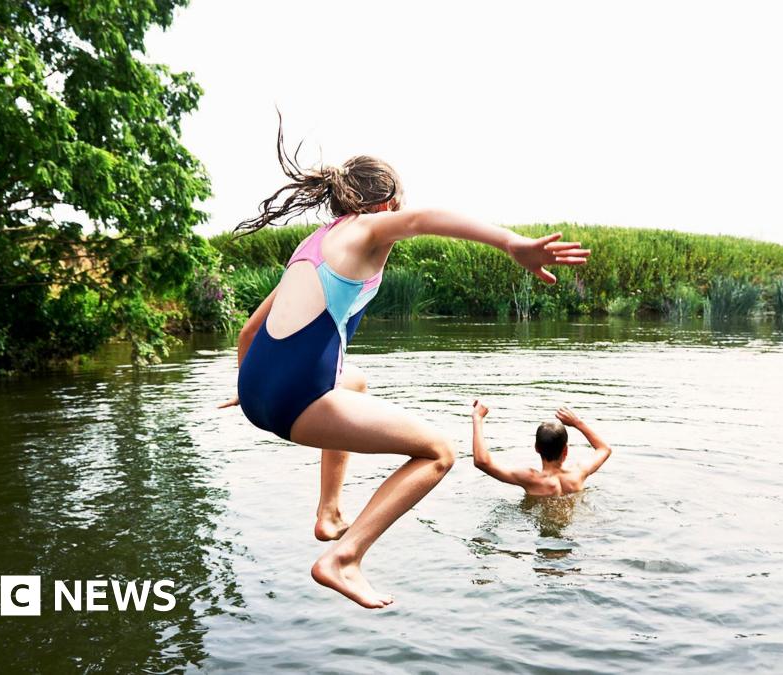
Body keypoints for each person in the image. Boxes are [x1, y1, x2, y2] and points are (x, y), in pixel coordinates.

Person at [218, 118, 590, 608]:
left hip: (257, 390)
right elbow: (420, 221)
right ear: (387, 203)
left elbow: (250, 331)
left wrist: (251, 387)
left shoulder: (312, 246)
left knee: (356, 381)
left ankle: (329, 512)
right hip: (292, 402)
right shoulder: (370, 228)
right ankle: (344, 558)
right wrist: (511, 243)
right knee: (437, 453)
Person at [469, 400, 612, 496]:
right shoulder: (579, 472)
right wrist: (577, 423)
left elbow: (482, 462)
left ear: (536, 448)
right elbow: (604, 449)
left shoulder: (531, 479)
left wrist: (477, 418)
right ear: (565, 450)